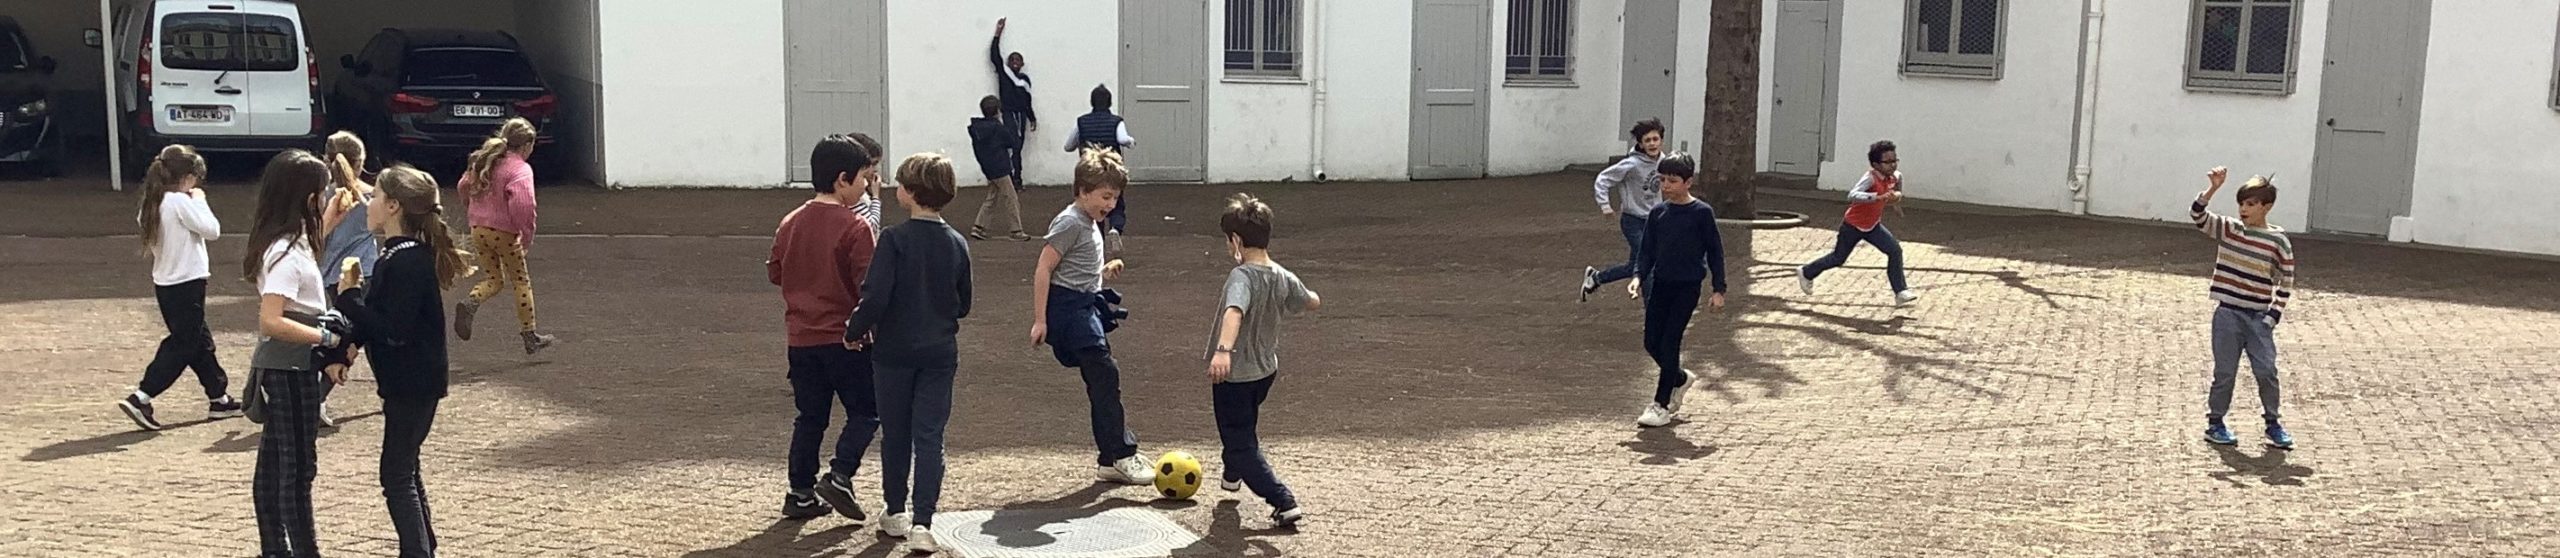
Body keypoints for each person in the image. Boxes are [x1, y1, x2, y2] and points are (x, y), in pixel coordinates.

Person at [327, 165, 472, 558]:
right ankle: (424, 545)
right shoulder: (394, 254)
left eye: (373, 196)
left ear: (392, 206)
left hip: (414, 380)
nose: (367, 203)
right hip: (406, 380)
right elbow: (378, 315)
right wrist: (350, 346)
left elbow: (394, 328)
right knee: (407, 467)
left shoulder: (407, 261)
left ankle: (417, 551)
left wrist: (347, 298)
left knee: (395, 473)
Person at [845, 153, 974, 554]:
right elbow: (964, 303)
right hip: (939, 350)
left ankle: (895, 509)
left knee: (895, 432)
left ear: (909, 192)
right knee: (930, 437)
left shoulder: (894, 240)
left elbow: (875, 295)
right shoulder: (957, 242)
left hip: (894, 351)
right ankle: (924, 521)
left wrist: (854, 329)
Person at [767, 135, 884, 522]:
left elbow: (775, 272)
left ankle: (799, 492)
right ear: (842, 179)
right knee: (867, 411)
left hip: (800, 338)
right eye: (863, 180)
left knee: (810, 417)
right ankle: (840, 473)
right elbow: (869, 286)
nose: (868, 186)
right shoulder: (855, 227)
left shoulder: (790, 222)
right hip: (845, 337)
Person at [242, 150, 353, 558]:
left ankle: (274, 547)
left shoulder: (287, 242)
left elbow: (309, 250)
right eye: (322, 194)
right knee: (297, 468)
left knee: (274, 462)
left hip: (285, 366)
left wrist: (332, 220)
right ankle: (302, 550)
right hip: (290, 367)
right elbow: (271, 320)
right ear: (308, 199)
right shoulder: (286, 256)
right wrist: (324, 339)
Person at [1030, 147, 1155, 486]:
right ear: (1083, 191)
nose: (1110, 205)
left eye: (1115, 198)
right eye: (1105, 196)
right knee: (1104, 374)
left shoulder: (1089, 220)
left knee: (1101, 378)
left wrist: (1101, 272)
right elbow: (1044, 269)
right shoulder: (1071, 221)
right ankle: (1120, 454)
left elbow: (1073, 267)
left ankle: (1111, 458)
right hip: (1069, 310)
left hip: (1084, 302)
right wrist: (1041, 320)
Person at [1203, 193, 1318, 529]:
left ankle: (1282, 500)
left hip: (1235, 375)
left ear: (1236, 241)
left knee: (1239, 439)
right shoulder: (1281, 275)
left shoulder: (1241, 277)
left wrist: (1223, 351)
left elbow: (1234, 311)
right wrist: (1306, 299)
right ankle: (1233, 472)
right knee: (1243, 426)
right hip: (1265, 371)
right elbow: (1310, 301)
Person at [118, 144, 242, 431]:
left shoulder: (152, 202)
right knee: (183, 343)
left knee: (200, 341)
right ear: (186, 177)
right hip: (188, 282)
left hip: (166, 283)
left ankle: (218, 397)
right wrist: (199, 200)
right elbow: (212, 230)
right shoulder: (179, 202)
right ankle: (143, 396)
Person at [2191, 166, 2297, 449]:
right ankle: (2215, 423)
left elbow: (2286, 280)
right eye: (2241, 203)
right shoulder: (2230, 229)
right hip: (2227, 314)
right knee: (2225, 372)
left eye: (2251, 204)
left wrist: (2273, 316)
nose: (2243, 209)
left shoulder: (2278, 241)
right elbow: (2198, 216)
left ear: (2267, 207)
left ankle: (2272, 424)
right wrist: (2213, 189)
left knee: (2266, 371)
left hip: (2259, 318)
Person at [1626, 152, 1728, 428]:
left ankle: (1661, 404)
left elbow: (1715, 252)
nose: (1666, 186)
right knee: (1651, 342)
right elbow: (1646, 251)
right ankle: (1680, 378)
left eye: (1672, 180)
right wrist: (1638, 276)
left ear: (1688, 182)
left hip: (1687, 287)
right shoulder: (1658, 213)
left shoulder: (1702, 213)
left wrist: (1719, 289)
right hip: (1661, 285)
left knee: (1670, 342)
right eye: (1662, 180)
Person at [454, 118, 559, 354]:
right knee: (520, 280)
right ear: (526, 146)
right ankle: (529, 335)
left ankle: (472, 301)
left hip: (478, 229)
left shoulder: (485, 161)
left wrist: (471, 207)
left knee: (494, 278)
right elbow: (524, 205)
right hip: (505, 232)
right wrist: (526, 235)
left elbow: (463, 186)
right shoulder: (520, 169)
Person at [1795, 140, 1917, 306]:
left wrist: (1897, 199)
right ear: (1875, 164)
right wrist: (1875, 197)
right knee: (1838, 258)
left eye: (1895, 160)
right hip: (1852, 225)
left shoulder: (1896, 176)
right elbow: (1852, 195)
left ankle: (1900, 291)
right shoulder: (1870, 178)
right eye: (1887, 162)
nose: (1892, 165)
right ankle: (1807, 272)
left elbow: (1897, 187)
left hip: (1873, 226)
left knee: (1895, 251)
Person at [315, 130, 378, 428]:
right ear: (360, 161)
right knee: (355, 338)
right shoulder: (369, 195)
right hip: (364, 272)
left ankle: (318, 395)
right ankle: (317, 396)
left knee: (348, 332)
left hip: (330, 275)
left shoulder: (320, 195)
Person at [1580, 119, 1666, 302]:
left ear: (1661, 141)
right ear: (1641, 144)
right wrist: (1605, 205)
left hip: (1654, 221)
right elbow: (1603, 179)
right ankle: (1652, 311)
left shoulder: (1665, 162)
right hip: (1633, 220)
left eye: (1655, 139)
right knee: (1648, 262)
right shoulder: (1632, 164)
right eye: (1647, 140)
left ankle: (1596, 278)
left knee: (1633, 266)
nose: (1652, 144)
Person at [1064, 85, 1135, 243]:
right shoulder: (1116, 121)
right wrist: (1131, 141)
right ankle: (1116, 228)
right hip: (1111, 169)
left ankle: (1097, 241)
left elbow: (1068, 146)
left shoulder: (1081, 121)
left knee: (1092, 205)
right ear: (1109, 102)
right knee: (1116, 203)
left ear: (1092, 102)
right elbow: (1123, 139)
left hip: (1089, 170)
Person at [968, 95, 1030, 241]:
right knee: (1011, 197)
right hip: (1000, 168)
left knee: (992, 196)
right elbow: (1012, 142)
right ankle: (1016, 230)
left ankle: (979, 227)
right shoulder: (997, 128)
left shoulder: (977, 129)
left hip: (988, 168)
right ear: (997, 111)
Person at [991, 17, 1037, 187]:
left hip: (1021, 114)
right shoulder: (1004, 74)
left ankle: (1016, 177)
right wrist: (998, 33)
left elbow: (1027, 100)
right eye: (1013, 60)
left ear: (1022, 64)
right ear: (1009, 63)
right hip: (1009, 113)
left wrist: (1032, 117)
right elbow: (995, 55)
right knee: (1014, 145)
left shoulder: (1024, 80)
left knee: (1018, 146)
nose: (1016, 63)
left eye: (1018, 60)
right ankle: (1011, 178)